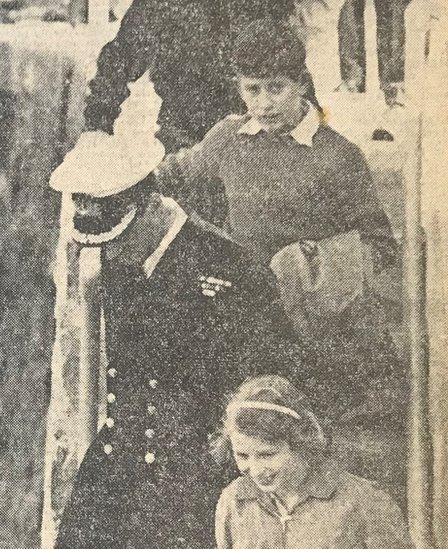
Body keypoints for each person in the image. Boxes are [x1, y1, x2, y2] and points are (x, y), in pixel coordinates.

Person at [49, 73, 303, 549]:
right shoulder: (121, 262)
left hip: (195, 480)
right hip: (119, 464)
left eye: (116, 238)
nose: (110, 252)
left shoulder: (226, 268)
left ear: (148, 207)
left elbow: (274, 378)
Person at [155, 18, 399, 411]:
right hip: (243, 307)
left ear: (301, 84)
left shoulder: (337, 156)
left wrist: (312, 264)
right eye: (253, 90)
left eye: (276, 88)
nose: (264, 103)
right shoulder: (229, 138)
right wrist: (125, 177)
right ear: (239, 89)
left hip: (310, 321)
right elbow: (175, 173)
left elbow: (380, 246)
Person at [213, 375, 409, 548]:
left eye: (267, 455)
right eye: (243, 456)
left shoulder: (365, 501)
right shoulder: (234, 501)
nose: (255, 470)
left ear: (300, 443)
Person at [83, 0, 297, 151]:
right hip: (184, 139)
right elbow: (119, 61)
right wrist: (96, 127)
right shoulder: (158, 6)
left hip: (254, 137)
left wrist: (310, 120)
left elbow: (290, 64)